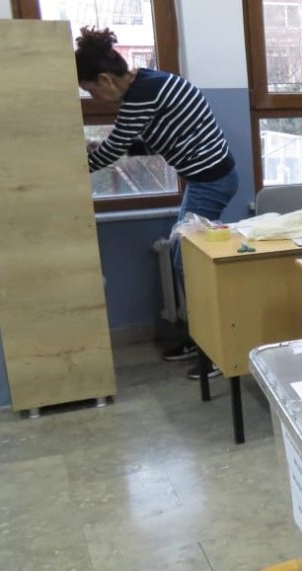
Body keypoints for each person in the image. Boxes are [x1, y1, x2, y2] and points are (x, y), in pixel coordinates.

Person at [75, 27, 238, 379]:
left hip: (211, 180)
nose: (94, 99)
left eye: (90, 90)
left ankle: (214, 349)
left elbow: (116, 146)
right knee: (186, 260)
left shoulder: (141, 95)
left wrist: (71, 165)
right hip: (205, 180)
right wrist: (97, 154)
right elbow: (152, 143)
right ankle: (202, 339)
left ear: (105, 78)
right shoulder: (147, 86)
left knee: (188, 264)